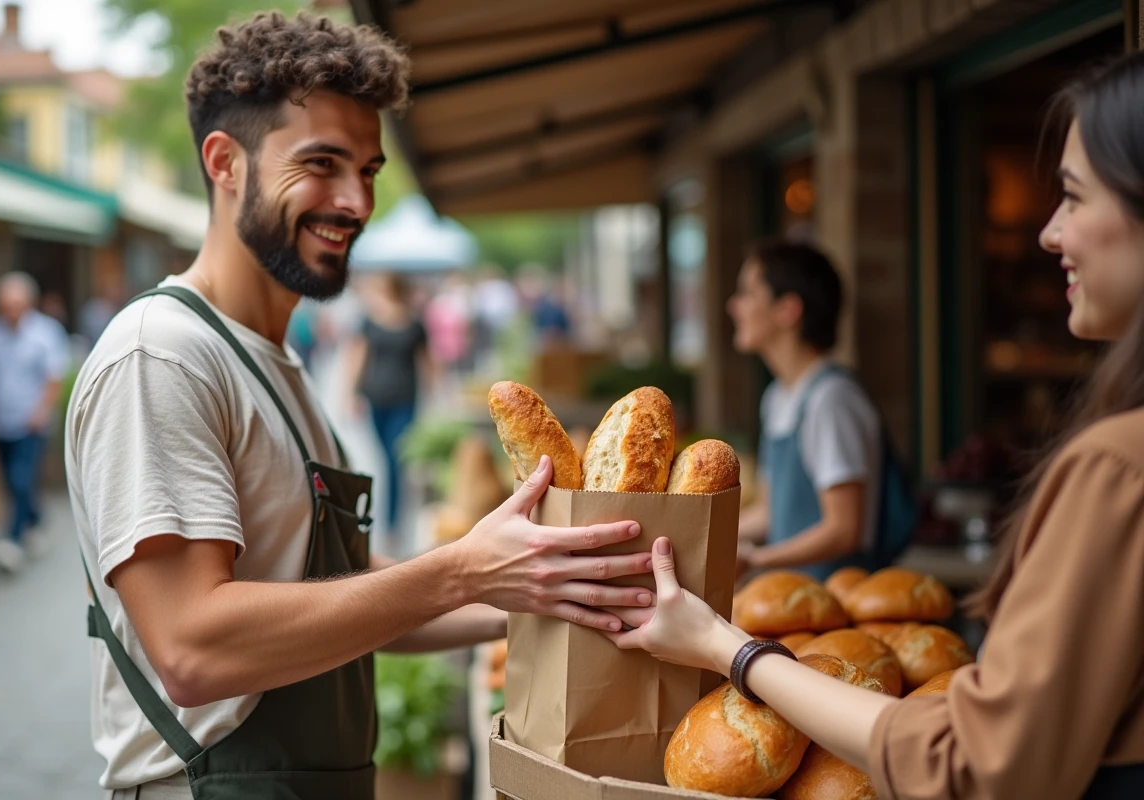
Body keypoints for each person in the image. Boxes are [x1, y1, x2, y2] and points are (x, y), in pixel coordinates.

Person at [64, 13, 653, 800]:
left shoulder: (277, 365)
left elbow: (353, 594)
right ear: (224, 162)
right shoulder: (163, 354)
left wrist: (543, 589)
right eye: (321, 163)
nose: (355, 201)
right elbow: (193, 650)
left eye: (369, 170)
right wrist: (461, 569)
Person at [608, 53, 1144, 800]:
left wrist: (728, 646)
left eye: (1075, 197)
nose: (1051, 233)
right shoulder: (780, 399)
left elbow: (981, 763)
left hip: (823, 628)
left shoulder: (1117, 466)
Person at [729, 241, 883, 580]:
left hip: (838, 601)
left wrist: (757, 560)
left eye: (748, 293)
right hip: (794, 598)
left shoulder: (831, 399)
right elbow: (770, 514)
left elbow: (844, 528)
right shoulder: (778, 397)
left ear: (788, 310)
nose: (734, 306)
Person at [0, 271, 68, 573]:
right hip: (2, 420)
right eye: (4, 305)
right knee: (12, 481)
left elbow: (53, 378)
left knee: (21, 477)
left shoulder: (46, 332)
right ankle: (37, 520)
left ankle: (11, 541)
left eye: (15, 304)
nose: (9, 311)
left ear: (28, 303)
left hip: (32, 422)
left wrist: (41, 410)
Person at [350, 272, 431, 536]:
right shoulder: (370, 322)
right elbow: (358, 357)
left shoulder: (414, 324)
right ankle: (389, 518)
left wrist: (433, 391)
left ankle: (392, 522)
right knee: (386, 458)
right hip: (377, 397)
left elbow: (426, 361)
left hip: (405, 399)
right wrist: (351, 392)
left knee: (396, 458)